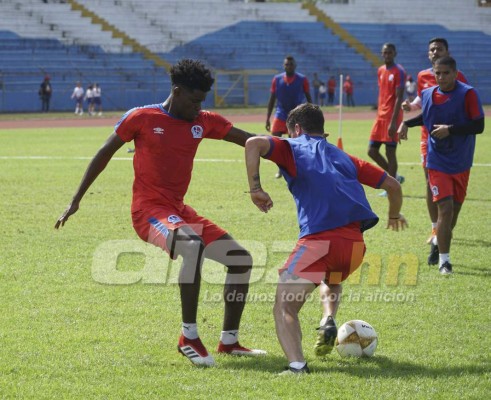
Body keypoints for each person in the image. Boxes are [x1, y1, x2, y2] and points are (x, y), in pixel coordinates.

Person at [55, 59, 266, 367]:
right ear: (177, 92)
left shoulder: (203, 121)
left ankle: (229, 342)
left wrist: (292, 149)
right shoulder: (142, 117)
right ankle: (189, 337)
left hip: (179, 211)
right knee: (192, 248)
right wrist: (76, 200)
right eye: (194, 100)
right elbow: (104, 153)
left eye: (201, 102)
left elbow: (251, 140)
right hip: (148, 211)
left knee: (240, 260)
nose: (198, 108)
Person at [245, 103, 407, 374]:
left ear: (296, 129)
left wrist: (255, 189)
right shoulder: (346, 158)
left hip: (318, 241)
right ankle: (328, 317)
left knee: (285, 306)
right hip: (354, 246)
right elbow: (393, 185)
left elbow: (252, 144)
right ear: (323, 131)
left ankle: (297, 367)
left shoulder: (292, 146)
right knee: (332, 277)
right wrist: (394, 215)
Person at [398, 56, 484, 275]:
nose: (442, 77)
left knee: (453, 213)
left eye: (446, 73)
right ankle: (445, 261)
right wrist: (406, 124)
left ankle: (439, 242)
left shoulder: (468, 93)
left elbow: (479, 125)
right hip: (436, 161)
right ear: (433, 74)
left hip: (461, 161)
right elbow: (425, 118)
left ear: (455, 73)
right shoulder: (428, 94)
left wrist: (450, 129)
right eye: (438, 73)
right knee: (444, 209)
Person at [401, 38, 468, 250]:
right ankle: (434, 228)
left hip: (452, 140)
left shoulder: (458, 77)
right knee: (430, 181)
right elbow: (422, 99)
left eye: (439, 48)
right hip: (427, 137)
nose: (435, 51)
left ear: (448, 52)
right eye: (432, 49)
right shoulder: (422, 76)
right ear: (428, 53)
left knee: (454, 190)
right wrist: (410, 105)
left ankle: (445, 226)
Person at [266, 55, 312, 178]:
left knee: (294, 144)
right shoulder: (277, 79)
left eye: (291, 64)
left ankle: (295, 168)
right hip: (280, 113)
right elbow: (272, 99)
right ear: (283, 65)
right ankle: (281, 169)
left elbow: (308, 98)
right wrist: (267, 118)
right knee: (275, 141)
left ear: (295, 66)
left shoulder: (302, 79)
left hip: (296, 115)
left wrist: (311, 114)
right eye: (286, 64)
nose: (289, 66)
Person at [368, 43, 406, 191]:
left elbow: (399, 97)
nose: (387, 55)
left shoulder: (399, 71)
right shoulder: (380, 70)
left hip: (392, 117)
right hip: (380, 116)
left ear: (395, 53)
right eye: (385, 53)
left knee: (390, 152)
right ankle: (394, 177)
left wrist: (394, 122)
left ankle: (392, 186)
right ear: (381, 54)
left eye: (390, 52)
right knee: (371, 151)